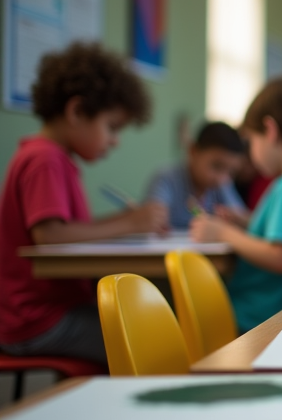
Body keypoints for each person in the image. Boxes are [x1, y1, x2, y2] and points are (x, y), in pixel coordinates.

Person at [0, 42, 166, 364]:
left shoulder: (54, 158)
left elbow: (67, 231)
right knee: (149, 338)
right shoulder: (44, 160)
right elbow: (49, 237)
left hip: (51, 311)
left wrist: (123, 222)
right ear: (76, 112)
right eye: (112, 127)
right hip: (36, 319)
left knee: (148, 323)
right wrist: (129, 223)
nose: (115, 140)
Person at [189, 78, 282, 332]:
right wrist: (247, 221)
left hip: (253, 317)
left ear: (270, 130)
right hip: (269, 314)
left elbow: (280, 256)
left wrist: (223, 233)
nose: (250, 153)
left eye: (251, 141)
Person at [145, 121, 248, 229]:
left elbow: (241, 217)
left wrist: (236, 218)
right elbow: (153, 217)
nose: (222, 178)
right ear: (193, 151)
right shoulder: (166, 178)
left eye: (231, 172)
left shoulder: (223, 185)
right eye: (217, 166)